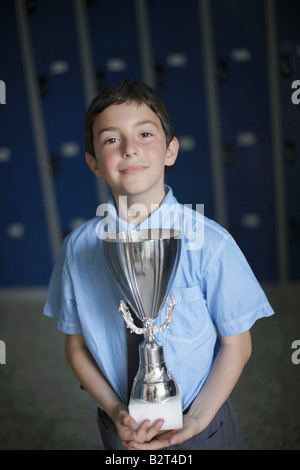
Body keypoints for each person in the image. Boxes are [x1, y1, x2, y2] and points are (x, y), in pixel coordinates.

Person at [43, 79, 274, 450]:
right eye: (111, 140)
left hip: (202, 425)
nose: (130, 149)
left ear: (170, 150)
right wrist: (117, 410)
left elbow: (237, 346)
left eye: (145, 133)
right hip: (120, 428)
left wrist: (197, 419)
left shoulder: (210, 243)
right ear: (93, 164)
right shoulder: (78, 249)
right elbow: (76, 347)